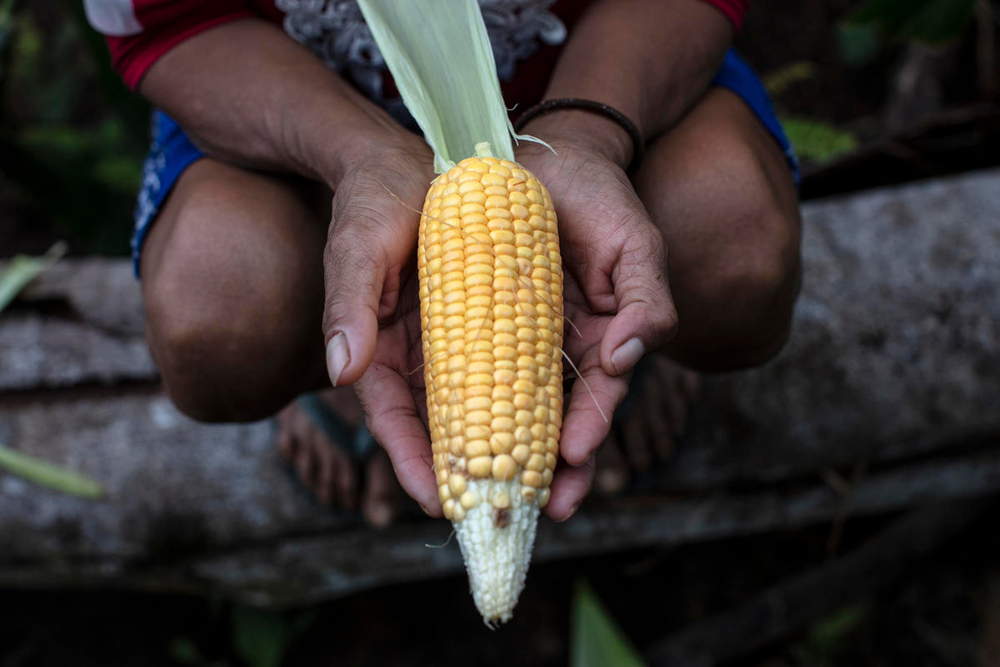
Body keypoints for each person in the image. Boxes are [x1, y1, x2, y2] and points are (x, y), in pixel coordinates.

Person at [85, 0, 801, 527]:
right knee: (219, 319)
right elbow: (169, 22)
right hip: (280, 85)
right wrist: (359, 155)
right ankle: (339, 360)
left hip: (606, 51)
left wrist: (584, 134)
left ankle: (623, 335)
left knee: (733, 250)